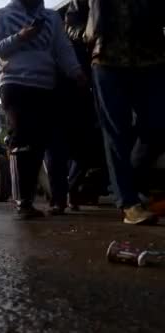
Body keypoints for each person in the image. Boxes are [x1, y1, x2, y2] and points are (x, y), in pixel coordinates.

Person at [0, 0, 85, 219]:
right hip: (14, 83)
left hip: (45, 85)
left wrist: (76, 71)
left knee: (43, 142)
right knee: (22, 138)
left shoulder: (51, 18)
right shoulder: (1, 16)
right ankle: (23, 202)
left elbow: (62, 49)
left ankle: (53, 198)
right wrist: (20, 37)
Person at [67, 0, 165, 225]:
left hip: (152, 60)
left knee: (158, 125)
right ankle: (129, 203)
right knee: (116, 133)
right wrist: (86, 34)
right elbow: (71, 21)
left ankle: (128, 183)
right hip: (107, 62)